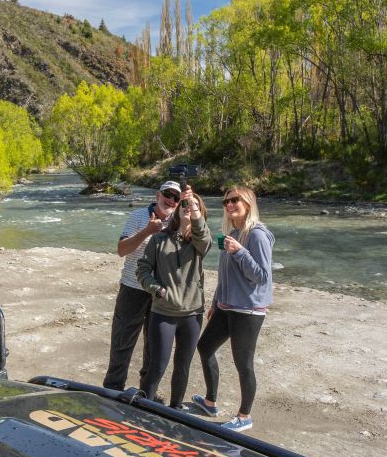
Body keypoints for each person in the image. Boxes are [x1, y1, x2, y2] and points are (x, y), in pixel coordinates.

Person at [191, 186, 274, 432]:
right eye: (226, 201)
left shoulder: (257, 235)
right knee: (204, 347)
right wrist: (216, 302)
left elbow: (261, 277)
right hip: (227, 307)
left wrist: (240, 252)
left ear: (248, 203)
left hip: (248, 310)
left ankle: (244, 416)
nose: (229, 204)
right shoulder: (233, 233)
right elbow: (226, 275)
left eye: (235, 200)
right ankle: (210, 402)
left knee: (243, 363)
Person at [102, 180, 182, 392]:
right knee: (122, 342)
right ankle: (112, 388)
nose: (171, 200)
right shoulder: (138, 216)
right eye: (168, 194)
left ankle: (146, 393)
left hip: (161, 293)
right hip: (132, 289)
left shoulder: (180, 222)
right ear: (158, 195)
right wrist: (147, 231)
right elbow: (121, 250)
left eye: (176, 197)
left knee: (154, 347)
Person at [136, 187, 211, 405]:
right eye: (185, 205)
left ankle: (176, 409)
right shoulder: (159, 240)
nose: (188, 208)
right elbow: (142, 270)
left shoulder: (200, 243)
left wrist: (194, 210)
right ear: (176, 210)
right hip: (163, 313)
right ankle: (144, 408)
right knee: (157, 366)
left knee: (183, 366)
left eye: (194, 206)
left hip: (192, 314)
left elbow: (204, 239)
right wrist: (157, 289)